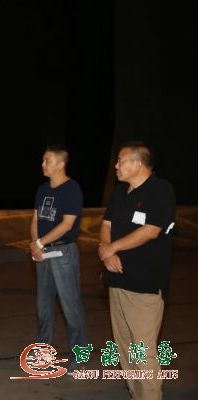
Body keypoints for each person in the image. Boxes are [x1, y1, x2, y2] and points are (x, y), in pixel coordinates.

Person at [98, 141, 175, 400]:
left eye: (120, 160)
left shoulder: (160, 190)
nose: (116, 166)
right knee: (125, 349)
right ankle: (137, 394)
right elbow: (106, 225)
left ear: (137, 163)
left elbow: (151, 230)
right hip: (117, 281)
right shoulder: (120, 192)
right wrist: (106, 251)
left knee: (143, 353)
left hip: (144, 286)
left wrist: (112, 248)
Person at [29, 144, 87, 374]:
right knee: (43, 307)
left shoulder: (72, 189)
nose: (43, 164)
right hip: (42, 252)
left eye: (48, 160)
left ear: (61, 163)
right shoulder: (42, 189)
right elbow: (35, 219)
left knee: (71, 307)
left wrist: (39, 243)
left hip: (63, 253)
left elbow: (67, 224)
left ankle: (80, 356)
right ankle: (42, 353)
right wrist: (35, 244)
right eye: (43, 160)